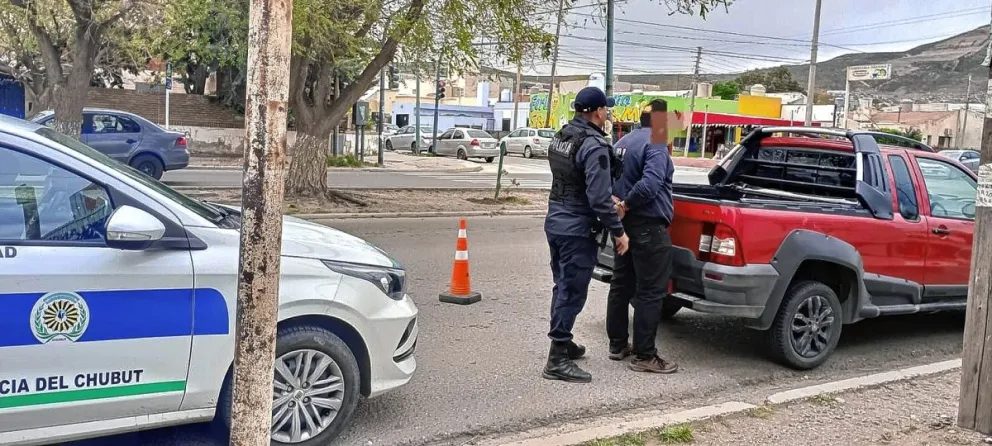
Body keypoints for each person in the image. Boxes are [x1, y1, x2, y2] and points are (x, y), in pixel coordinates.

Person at [543, 86, 630, 384]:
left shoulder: (563, 135)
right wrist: (619, 232)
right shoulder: (593, 145)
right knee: (572, 290)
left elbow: (570, 180)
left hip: (556, 221)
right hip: (577, 229)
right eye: (606, 109)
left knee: (562, 285)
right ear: (598, 112)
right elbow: (598, 197)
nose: (608, 113)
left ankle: (563, 340)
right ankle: (557, 359)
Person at [606, 99, 678, 374]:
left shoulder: (623, 142)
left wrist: (618, 205)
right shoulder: (656, 143)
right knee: (650, 292)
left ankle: (617, 344)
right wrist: (627, 204)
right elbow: (650, 184)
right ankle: (645, 355)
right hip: (648, 226)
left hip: (623, 227)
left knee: (621, 284)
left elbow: (609, 178)